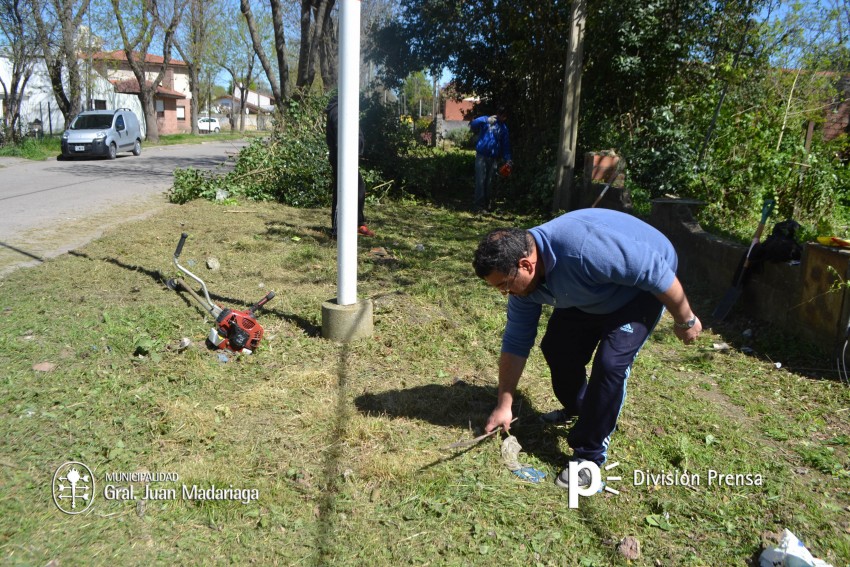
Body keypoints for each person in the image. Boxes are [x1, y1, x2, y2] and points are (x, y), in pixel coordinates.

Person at [472, 208, 702, 490]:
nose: (505, 294)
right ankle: (584, 410)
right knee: (557, 347)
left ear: (526, 265)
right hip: (590, 289)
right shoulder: (523, 283)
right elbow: (517, 341)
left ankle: (589, 457)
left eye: (505, 286)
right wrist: (504, 404)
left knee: (611, 363)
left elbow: (656, 273)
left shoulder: (586, 251)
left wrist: (685, 319)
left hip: (639, 289)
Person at [325, 95, 374, 237]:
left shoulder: (345, 109)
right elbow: (342, 135)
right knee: (341, 190)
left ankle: (358, 223)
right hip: (342, 157)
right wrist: (347, 152)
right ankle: (337, 228)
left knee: (358, 188)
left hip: (348, 156)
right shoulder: (338, 110)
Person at [469, 107, 512, 213]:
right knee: (480, 181)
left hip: (493, 158)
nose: (503, 117)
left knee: (489, 183)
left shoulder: (503, 128)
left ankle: (487, 205)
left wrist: (508, 159)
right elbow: (473, 124)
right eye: (501, 115)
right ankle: (479, 206)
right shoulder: (486, 120)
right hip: (481, 156)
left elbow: (505, 145)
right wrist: (486, 120)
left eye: (504, 116)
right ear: (498, 113)